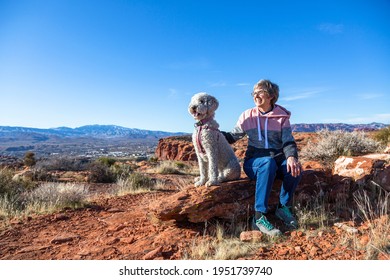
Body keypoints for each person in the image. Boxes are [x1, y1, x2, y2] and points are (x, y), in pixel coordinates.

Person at [222, 79, 302, 236]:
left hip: (277, 159)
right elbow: (232, 136)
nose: (255, 95)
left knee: (295, 168)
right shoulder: (247, 115)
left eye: (259, 92)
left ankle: (283, 208)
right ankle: (259, 217)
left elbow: (288, 141)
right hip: (255, 161)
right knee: (267, 163)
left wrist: (292, 157)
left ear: (271, 95)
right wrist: (213, 133)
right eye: (254, 93)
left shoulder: (282, 116)